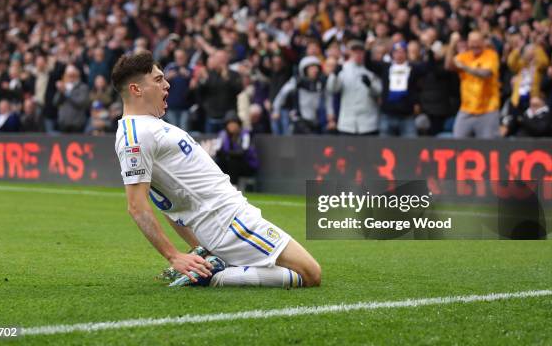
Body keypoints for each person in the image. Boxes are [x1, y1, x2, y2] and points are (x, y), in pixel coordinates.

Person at [112, 51, 320, 288]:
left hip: (227, 220)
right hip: (228, 222)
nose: (167, 85)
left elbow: (168, 203)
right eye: (158, 80)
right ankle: (215, 275)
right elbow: (137, 206)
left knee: (298, 270)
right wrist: (174, 256)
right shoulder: (135, 135)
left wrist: (197, 249)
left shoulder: (148, 126)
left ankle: (212, 264)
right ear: (136, 90)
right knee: (310, 274)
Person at [446, 31, 500, 139]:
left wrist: (465, 67)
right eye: (472, 42)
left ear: (483, 42)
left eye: (477, 41)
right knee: (457, 143)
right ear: (468, 43)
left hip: (488, 109)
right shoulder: (465, 56)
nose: (475, 45)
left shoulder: (491, 55)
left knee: (488, 147)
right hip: (466, 109)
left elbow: (486, 73)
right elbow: (449, 66)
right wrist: (452, 45)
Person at [326, 40, 382, 136]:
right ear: (350, 52)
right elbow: (332, 89)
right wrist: (334, 75)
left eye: (360, 52)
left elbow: (379, 92)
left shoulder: (371, 70)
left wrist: (370, 86)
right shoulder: (342, 69)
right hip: (347, 123)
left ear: (364, 53)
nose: (358, 54)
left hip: (368, 123)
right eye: (355, 52)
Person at [215, 111, 259, 185]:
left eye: (234, 123)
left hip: (247, 165)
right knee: (219, 162)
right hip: (229, 163)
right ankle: (219, 186)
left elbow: (243, 152)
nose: (232, 126)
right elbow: (218, 151)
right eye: (229, 124)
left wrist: (227, 153)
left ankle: (234, 186)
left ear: (238, 124)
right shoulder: (222, 134)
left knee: (233, 162)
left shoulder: (245, 134)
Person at [53, 64, 90, 133]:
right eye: (68, 75)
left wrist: (66, 93)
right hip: (63, 124)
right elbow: (55, 102)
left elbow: (81, 102)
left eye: (72, 74)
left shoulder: (82, 87)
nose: (70, 77)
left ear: (77, 75)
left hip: (77, 124)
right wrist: (60, 92)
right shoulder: (63, 86)